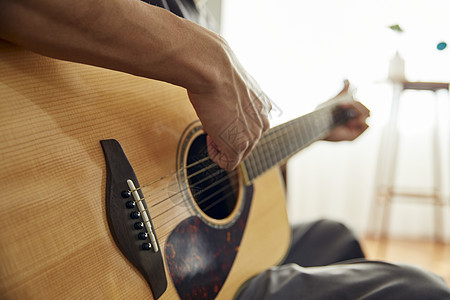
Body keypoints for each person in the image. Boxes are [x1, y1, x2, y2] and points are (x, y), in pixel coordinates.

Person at [0, 1, 449, 299]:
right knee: (421, 290)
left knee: (336, 235)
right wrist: (211, 59)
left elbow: (204, 164)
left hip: (195, 254)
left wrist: (316, 125)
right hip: (98, 245)